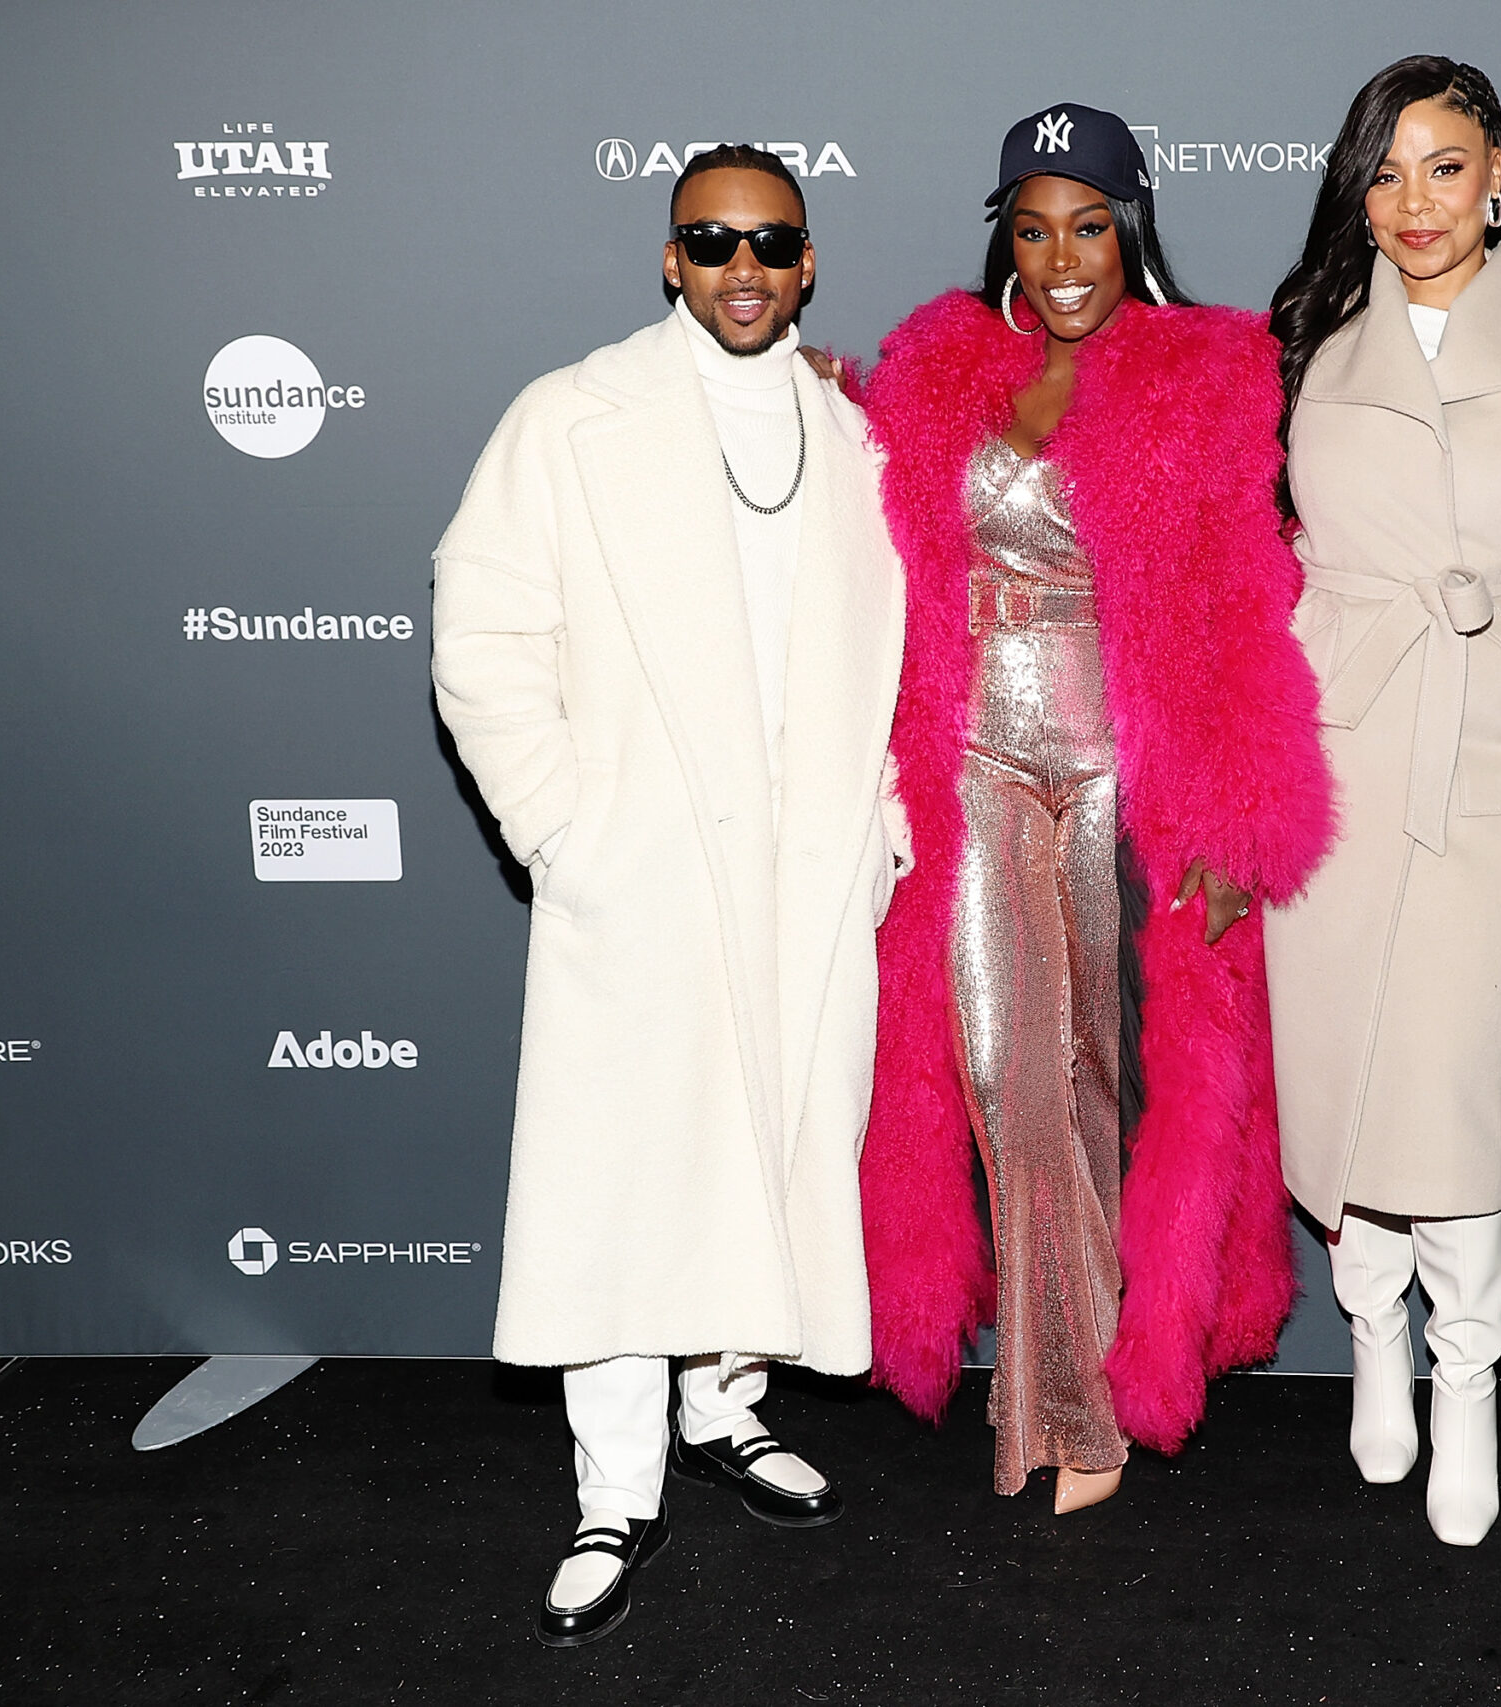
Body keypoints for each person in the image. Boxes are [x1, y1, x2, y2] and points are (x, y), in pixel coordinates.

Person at [433, 144, 910, 1644]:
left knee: (773, 1146)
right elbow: (484, 633)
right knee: (631, 1175)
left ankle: (731, 1404)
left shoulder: (854, 435)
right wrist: (570, 832)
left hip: (808, 871)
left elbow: (907, 662)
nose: (743, 268)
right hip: (643, 866)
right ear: (669, 259)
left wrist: (882, 830)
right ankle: (615, 1485)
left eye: (770, 241)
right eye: (711, 242)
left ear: (811, 257)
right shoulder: (569, 420)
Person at [846, 104, 1332, 1512]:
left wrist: (1239, 816)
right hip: (979, 769)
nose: (1064, 257)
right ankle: (1060, 1407)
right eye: (1037, 224)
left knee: (1111, 1082)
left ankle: (1104, 1379)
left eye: (1092, 225)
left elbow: (1249, 593)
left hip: (1122, 771)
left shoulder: (1208, 372)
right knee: (1009, 1079)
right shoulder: (938, 367)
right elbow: (872, 538)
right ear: (1006, 230)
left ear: (1133, 229)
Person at [1263, 57, 1501, 1548]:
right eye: (1386, 172)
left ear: (1499, 175)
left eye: (1444, 167)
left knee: (1463, 1094)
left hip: (1494, 754)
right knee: (1343, 1075)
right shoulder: (1306, 344)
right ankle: (1376, 1339)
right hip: (1337, 751)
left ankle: (1471, 1378)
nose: (1413, 203)